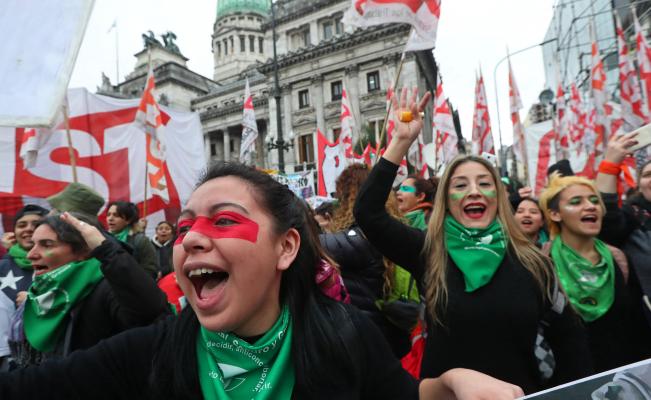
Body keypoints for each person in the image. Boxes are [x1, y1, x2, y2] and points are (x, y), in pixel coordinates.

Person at [0, 162, 525, 399]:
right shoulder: (148, 356)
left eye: (223, 220)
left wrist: (451, 385)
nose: (191, 240)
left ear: (286, 247)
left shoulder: (348, 337)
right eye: (184, 228)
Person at [353, 87, 592, 393]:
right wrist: (400, 142)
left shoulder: (534, 263)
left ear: (498, 197)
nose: (474, 192)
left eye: (484, 183)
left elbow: (571, 343)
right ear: (447, 200)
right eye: (461, 185)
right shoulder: (429, 251)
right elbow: (368, 212)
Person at [8, 212, 170, 367]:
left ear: (84, 250)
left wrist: (106, 249)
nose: (31, 254)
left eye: (46, 244)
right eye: (34, 244)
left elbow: (151, 312)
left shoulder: (110, 287)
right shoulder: (40, 292)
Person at [540, 173, 651, 372]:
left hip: (621, 381)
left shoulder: (620, 259)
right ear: (555, 214)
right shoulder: (540, 264)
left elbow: (638, 327)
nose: (590, 206)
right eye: (576, 202)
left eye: (594, 201)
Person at [321, 163, 412, 358]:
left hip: (367, 337)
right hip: (388, 333)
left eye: (340, 196)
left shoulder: (362, 236)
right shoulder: (392, 229)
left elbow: (316, 246)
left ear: (350, 197)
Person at [595, 133, 651, 322]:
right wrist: (610, 166)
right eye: (647, 175)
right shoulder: (633, 217)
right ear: (639, 185)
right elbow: (606, 220)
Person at [0, 205, 48, 371]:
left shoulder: (63, 264)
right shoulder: (3, 265)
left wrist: (36, 301)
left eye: (36, 224)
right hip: (12, 363)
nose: (29, 229)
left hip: (50, 358)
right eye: (22, 225)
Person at [106, 201, 158, 279]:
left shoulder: (140, 241)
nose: (110, 218)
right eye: (108, 214)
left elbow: (150, 270)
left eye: (116, 215)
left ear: (128, 220)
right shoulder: (102, 238)